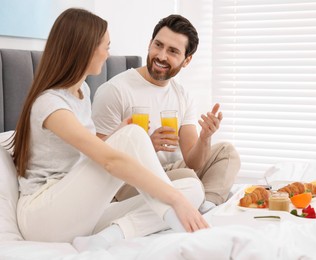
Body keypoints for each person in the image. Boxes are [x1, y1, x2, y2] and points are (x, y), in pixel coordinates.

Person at [9, 8, 208, 251]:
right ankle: (183, 227)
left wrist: (120, 134)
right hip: (43, 218)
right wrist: (173, 198)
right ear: (85, 49)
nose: (107, 54)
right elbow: (109, 161)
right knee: (170, 188)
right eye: (106, 46)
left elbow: (85, 156)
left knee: (192, 190)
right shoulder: (50, 104)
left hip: (78, 210)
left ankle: (108, 237)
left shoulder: (82, 93)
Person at [91, 14, 241, 212]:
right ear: (149, 44)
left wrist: (205, 137)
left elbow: (193, 162)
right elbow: (98, 159)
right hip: (128, 179)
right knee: (189, 180)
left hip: (169, 172)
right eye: (158, 45)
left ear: (186, 60)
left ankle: (207, 206)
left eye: (172, 51)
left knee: (227, 153)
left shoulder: (182, 95)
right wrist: (146, 146)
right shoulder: (115, 90)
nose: (161, 56)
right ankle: (194, 199)